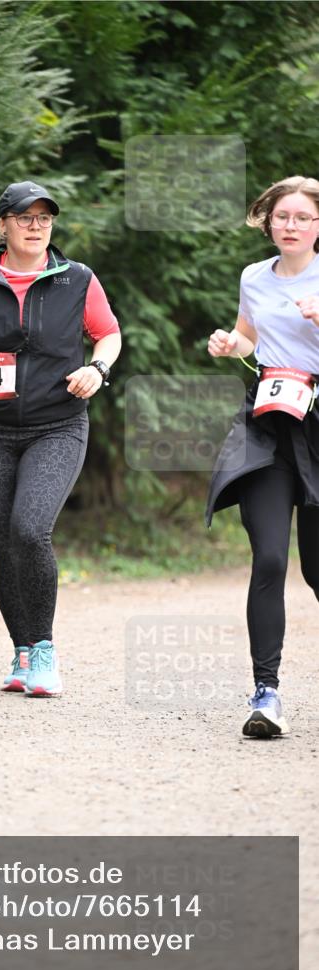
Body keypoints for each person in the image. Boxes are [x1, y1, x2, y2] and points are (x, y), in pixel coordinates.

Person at [0, 181, 121, 696]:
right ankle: (20, 649)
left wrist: (98, 369)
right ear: (3, 225)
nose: (35, 227)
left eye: (44, 218)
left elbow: (108, 332)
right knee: (0, 545)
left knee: (30, 529)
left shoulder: (76, 278)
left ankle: (43, 651)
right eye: (24, 217)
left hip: (58, 424)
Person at [206, 175, 319, 737]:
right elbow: (250, 334)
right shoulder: (255, 276)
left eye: (302, 217)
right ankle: (266, 694)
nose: (291, 226)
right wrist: (231, 342)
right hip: (269, 422)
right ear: (268, 221)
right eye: (283, 217)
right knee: (270, 558)